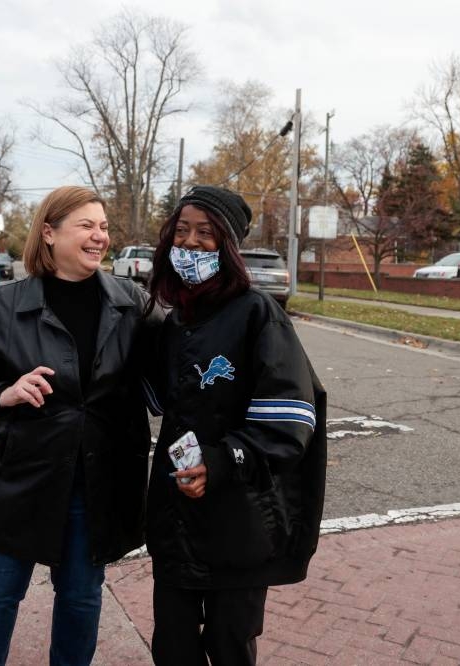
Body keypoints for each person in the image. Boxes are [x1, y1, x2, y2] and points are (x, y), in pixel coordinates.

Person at [0, 185, 159, 665]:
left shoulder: (132, 302)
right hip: (19, 479)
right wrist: (5, 392)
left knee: (82, 598)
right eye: (86, 225)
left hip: (98, 484)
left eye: (103, 227)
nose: (99, 236)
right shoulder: (4, 305)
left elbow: (185, 346)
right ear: (49, 233)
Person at [142, 186, 327, 666]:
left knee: (230, 646)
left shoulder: (257, 312)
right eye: (181, 231)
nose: (191, 243)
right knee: (173, 647)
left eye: (205, 233)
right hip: (176, 518)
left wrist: (221, 461)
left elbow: (291, 417)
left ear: (228, 244)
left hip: (239, 522)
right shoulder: (174, 319)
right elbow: (160, 398)